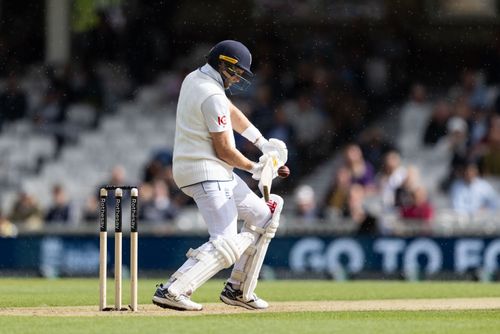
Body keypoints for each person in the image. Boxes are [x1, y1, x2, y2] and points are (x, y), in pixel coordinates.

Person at [152, 40, 288, 311]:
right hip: (205, 170)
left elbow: (230, 112)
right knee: (224, 242)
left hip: (212, 169)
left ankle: (238, 289)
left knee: (264, 215)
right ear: (222, 64)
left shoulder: (196, 78)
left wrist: (262, 143)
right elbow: (225, 149)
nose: (237, 78)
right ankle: (172, 290)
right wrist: (256, 168)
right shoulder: (211, 93)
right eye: (235, 72)